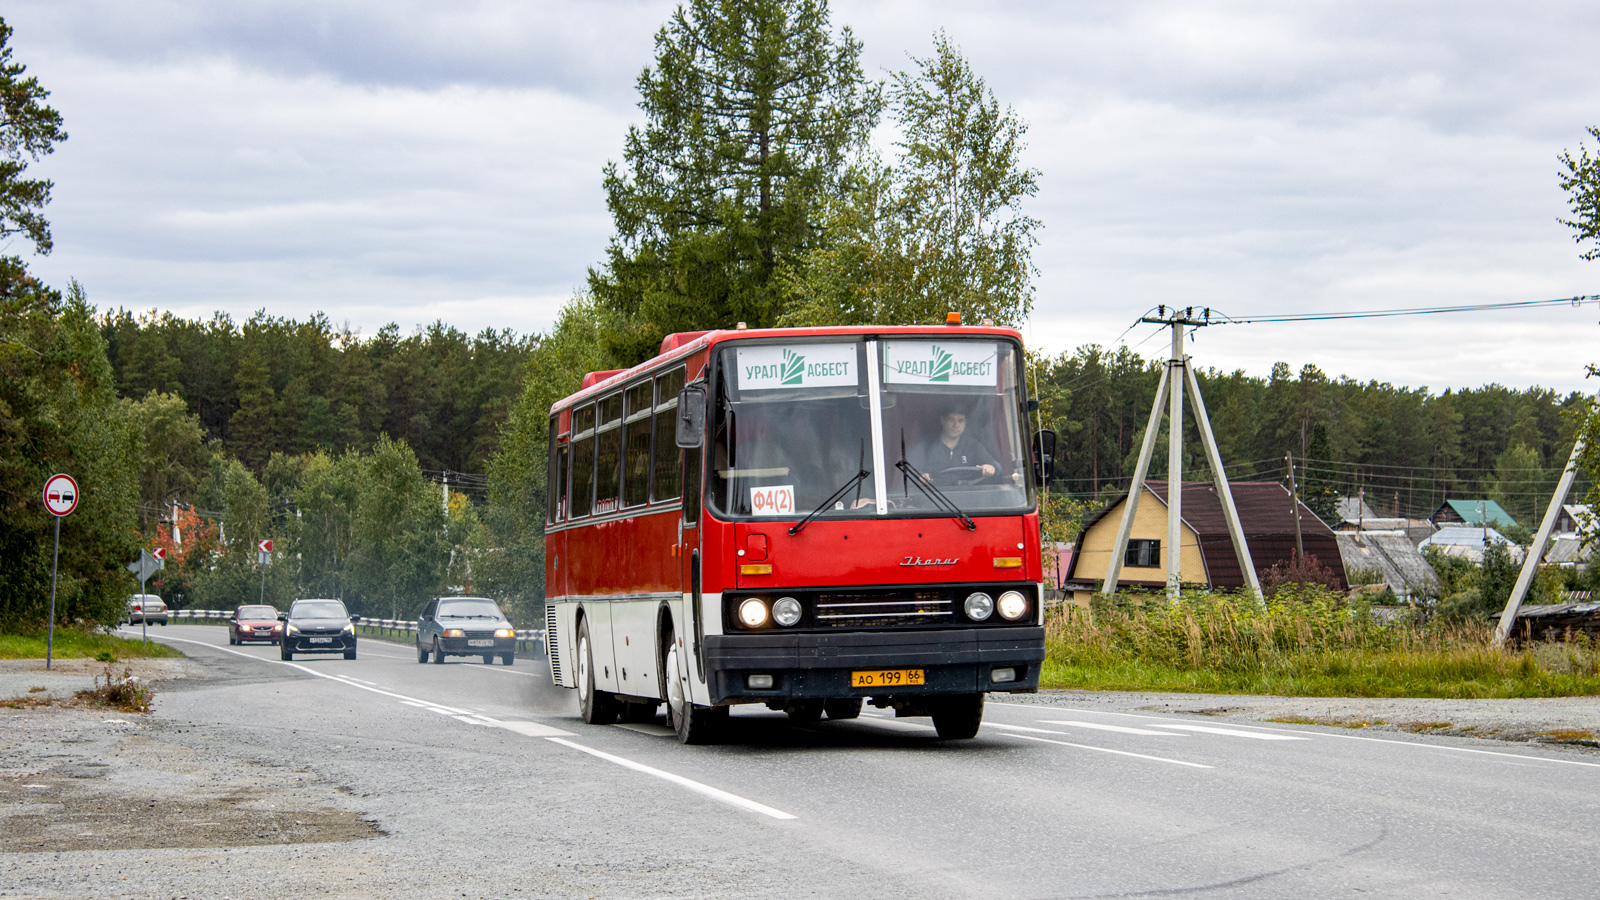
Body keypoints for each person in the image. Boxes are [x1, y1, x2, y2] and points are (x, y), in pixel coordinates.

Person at [908, 404, 999, 481]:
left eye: (960, 420)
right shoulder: (926, 445)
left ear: (965, 423)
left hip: (968, 496)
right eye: (951, 420)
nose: (956, 425)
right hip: (934, 496)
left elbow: (996, 466)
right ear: (943, 420)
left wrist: (990, 467)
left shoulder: (973, 445)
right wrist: (920, 476)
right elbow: (910, 470)